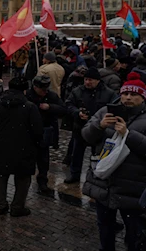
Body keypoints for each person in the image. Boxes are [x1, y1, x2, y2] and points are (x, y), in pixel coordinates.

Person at [82, 72, 146, 250]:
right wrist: (99, 126)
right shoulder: (105, 111)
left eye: (134, 94)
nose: (128, 97)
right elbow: (86, 136)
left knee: (134, 231)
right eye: (125, 93)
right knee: (105, 227)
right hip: (104, 184)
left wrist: (128, 134)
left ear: (142, 97)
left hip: (132, 187)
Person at [0, 77, 43, 217]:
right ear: (24, 89)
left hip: (2, 147)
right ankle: (17, 206)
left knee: (1, 176)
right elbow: (38, 131)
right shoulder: (29, 107)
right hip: (24, 149)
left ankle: (1, 204)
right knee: (23, 178)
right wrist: (37, 146)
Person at [65, 67, 116, 183]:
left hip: (99, 130)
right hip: (80, 128)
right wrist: (77, 113)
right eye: (86, 79)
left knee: (97, 154)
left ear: (98, 80)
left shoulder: (109, 93)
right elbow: (68, 105)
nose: (88, 82)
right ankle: (74, 174)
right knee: (76, 153)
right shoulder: (77, 91)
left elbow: (113, 108)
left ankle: (96, 175)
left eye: (91, 80)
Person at [26, 76, 67, 195]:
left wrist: (50, 107)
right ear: (35, 87)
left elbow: (63, 109)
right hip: (30, 132)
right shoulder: (28, 95)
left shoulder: (52, 96)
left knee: (43, 159)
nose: (45, 91)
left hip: (45, 132)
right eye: (42, 89)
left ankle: (42, 181)